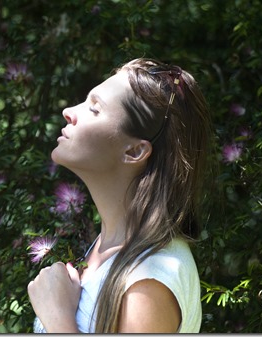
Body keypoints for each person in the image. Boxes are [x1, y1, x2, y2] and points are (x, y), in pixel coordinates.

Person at [28, 57, 213, 333]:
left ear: (134, 152)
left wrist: (57, 319)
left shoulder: (150, 278)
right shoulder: (108, 250)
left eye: (94, 109)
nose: (68, 111)